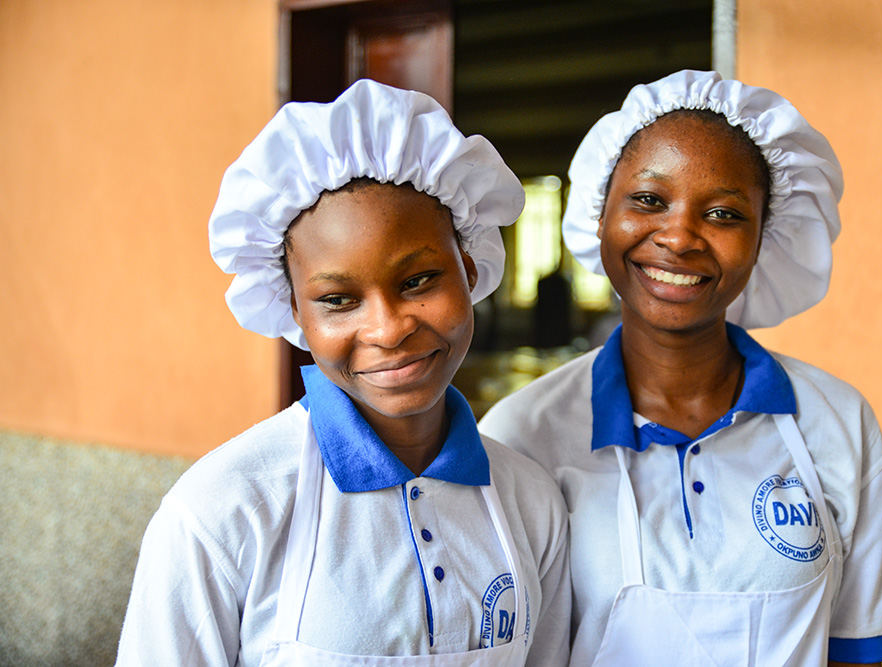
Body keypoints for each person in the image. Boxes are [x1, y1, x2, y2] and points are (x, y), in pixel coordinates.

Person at [116, 79, 570, 667]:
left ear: (469, 266)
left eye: (418, 281)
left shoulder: (528, 501)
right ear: (293, 308)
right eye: (337, 300)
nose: (388, 329)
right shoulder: (224, 511)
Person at [479, 70, 882, 666]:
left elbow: (855, 653)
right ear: (600, 216)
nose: (679, 237)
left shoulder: (837, 423)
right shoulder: (521, 435)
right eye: (649, 200)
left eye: (725, 214)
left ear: (766, 238)